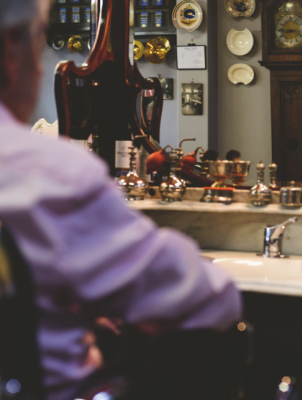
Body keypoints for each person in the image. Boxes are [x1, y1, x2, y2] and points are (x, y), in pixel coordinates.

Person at [0, 1, 242, 399]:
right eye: (40, 42)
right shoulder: (50, 173)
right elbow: (209, 299)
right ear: (12, 49)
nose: (41, 67)